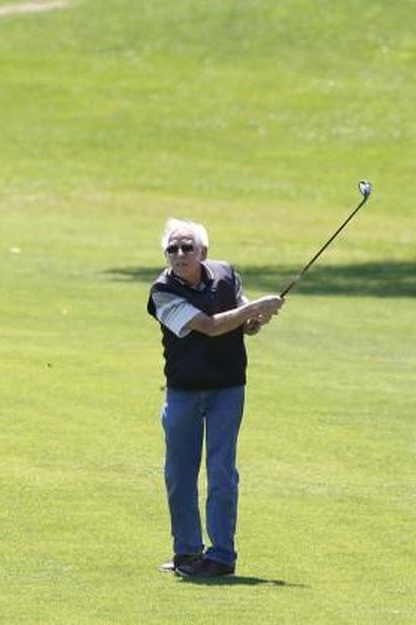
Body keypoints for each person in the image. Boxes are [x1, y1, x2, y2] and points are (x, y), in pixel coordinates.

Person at [147, 218, 284, 578]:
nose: (179, 254)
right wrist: (253, 310)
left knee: (222, 472)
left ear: (203, 252)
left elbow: (241, 317)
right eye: (172, 249)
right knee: (179, 474)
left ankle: (222, 556)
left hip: (227, 388)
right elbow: (209, 326)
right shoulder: (162, 291)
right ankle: (187, 553)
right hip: (183, 391)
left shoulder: (224, 274)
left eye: (186, 247)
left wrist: (256, 318)